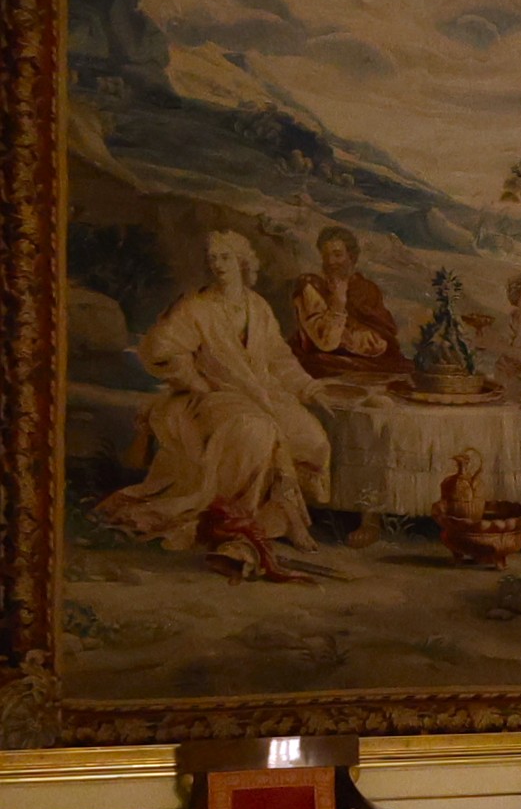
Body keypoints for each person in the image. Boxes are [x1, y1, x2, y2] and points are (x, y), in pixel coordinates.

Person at [98, 230, 337, 576]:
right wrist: (194, 380)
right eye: (212, 258)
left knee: (311, 437)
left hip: (264, 392)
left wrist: (310, 389)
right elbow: (160, 349)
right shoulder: (196, 307)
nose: (218, 265)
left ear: (242, 262)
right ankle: (245, 525)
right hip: (215, 397)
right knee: (257, 432)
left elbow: (279, 359)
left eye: (225, 257)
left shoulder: (258, 307)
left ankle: (280, 518)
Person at [288, 226, 406, 381]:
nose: (331, 261)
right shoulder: (311, 287)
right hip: (322, 365)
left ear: (351, 257)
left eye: (337, 255)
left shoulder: (366, 289)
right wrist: (338, 303)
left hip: (371, 364)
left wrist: (349, 338)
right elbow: (326, 342)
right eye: (326, 255)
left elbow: (382, 341)